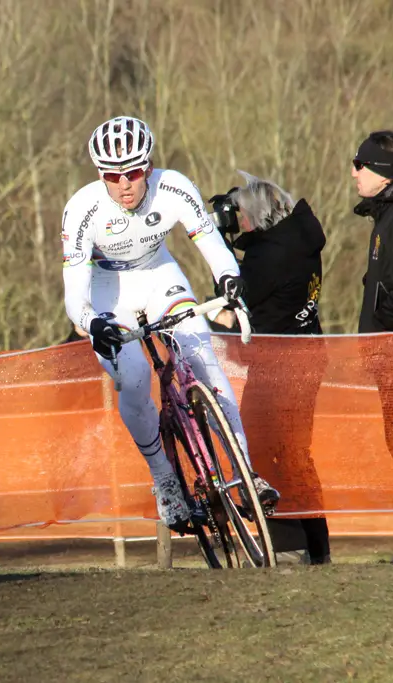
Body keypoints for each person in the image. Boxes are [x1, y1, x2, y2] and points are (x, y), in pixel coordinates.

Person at [60, 116, 279, 530]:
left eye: (134, 172)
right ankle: (163, 479)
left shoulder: (173, 186)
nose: (124, 184)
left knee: (207, 364)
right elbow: (75, 292)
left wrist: (228, 277)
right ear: (100, 175)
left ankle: (245, 474)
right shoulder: (82, 209)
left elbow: (210, 242)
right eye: (112, 175)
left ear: (150, 165)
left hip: (160, 275)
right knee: (137, 376)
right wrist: (92, 323)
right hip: (109, 292)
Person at [209, 172, 330, 565]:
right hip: (307, 356)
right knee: (296, 454)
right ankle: (316, 547)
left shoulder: (269, 257)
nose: (238, 222)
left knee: (265, 452)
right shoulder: (300, 240)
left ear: (257, 216)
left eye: (242, 215)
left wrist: (222, 252)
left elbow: (233, 300)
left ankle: (287, 547)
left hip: (279, 368)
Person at [354, 131, 393, 333]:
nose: (354, 173)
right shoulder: (384, 215)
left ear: (383, 174)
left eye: (360, 165)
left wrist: (379, 325)